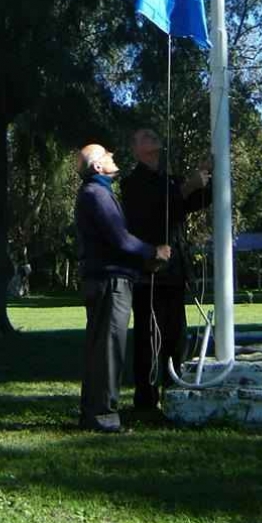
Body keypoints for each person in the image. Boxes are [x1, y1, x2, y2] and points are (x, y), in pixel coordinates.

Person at [75, 142, 170, 433]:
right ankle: (103, 416)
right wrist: (154, 252)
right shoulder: (97, 194)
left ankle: (93, 413)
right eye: (106, 154)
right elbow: (120, 239)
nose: (113, 155)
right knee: (109, 350)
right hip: (109, 283)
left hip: (105, 279)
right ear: (97, 167)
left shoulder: (96, 193)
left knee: (100, 350)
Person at [120, 128, 212, 411]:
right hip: (149, 274)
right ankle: (146, 402)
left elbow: (193, 202)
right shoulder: (132, 183)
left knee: (176, 336)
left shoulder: (169, 180)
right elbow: (153, 211)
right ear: (135, 149)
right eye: (145, 136)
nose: (153, 137)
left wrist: (209, 176)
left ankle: (175, 395)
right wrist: (188, 187)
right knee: (149, 339)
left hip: (174, 273)